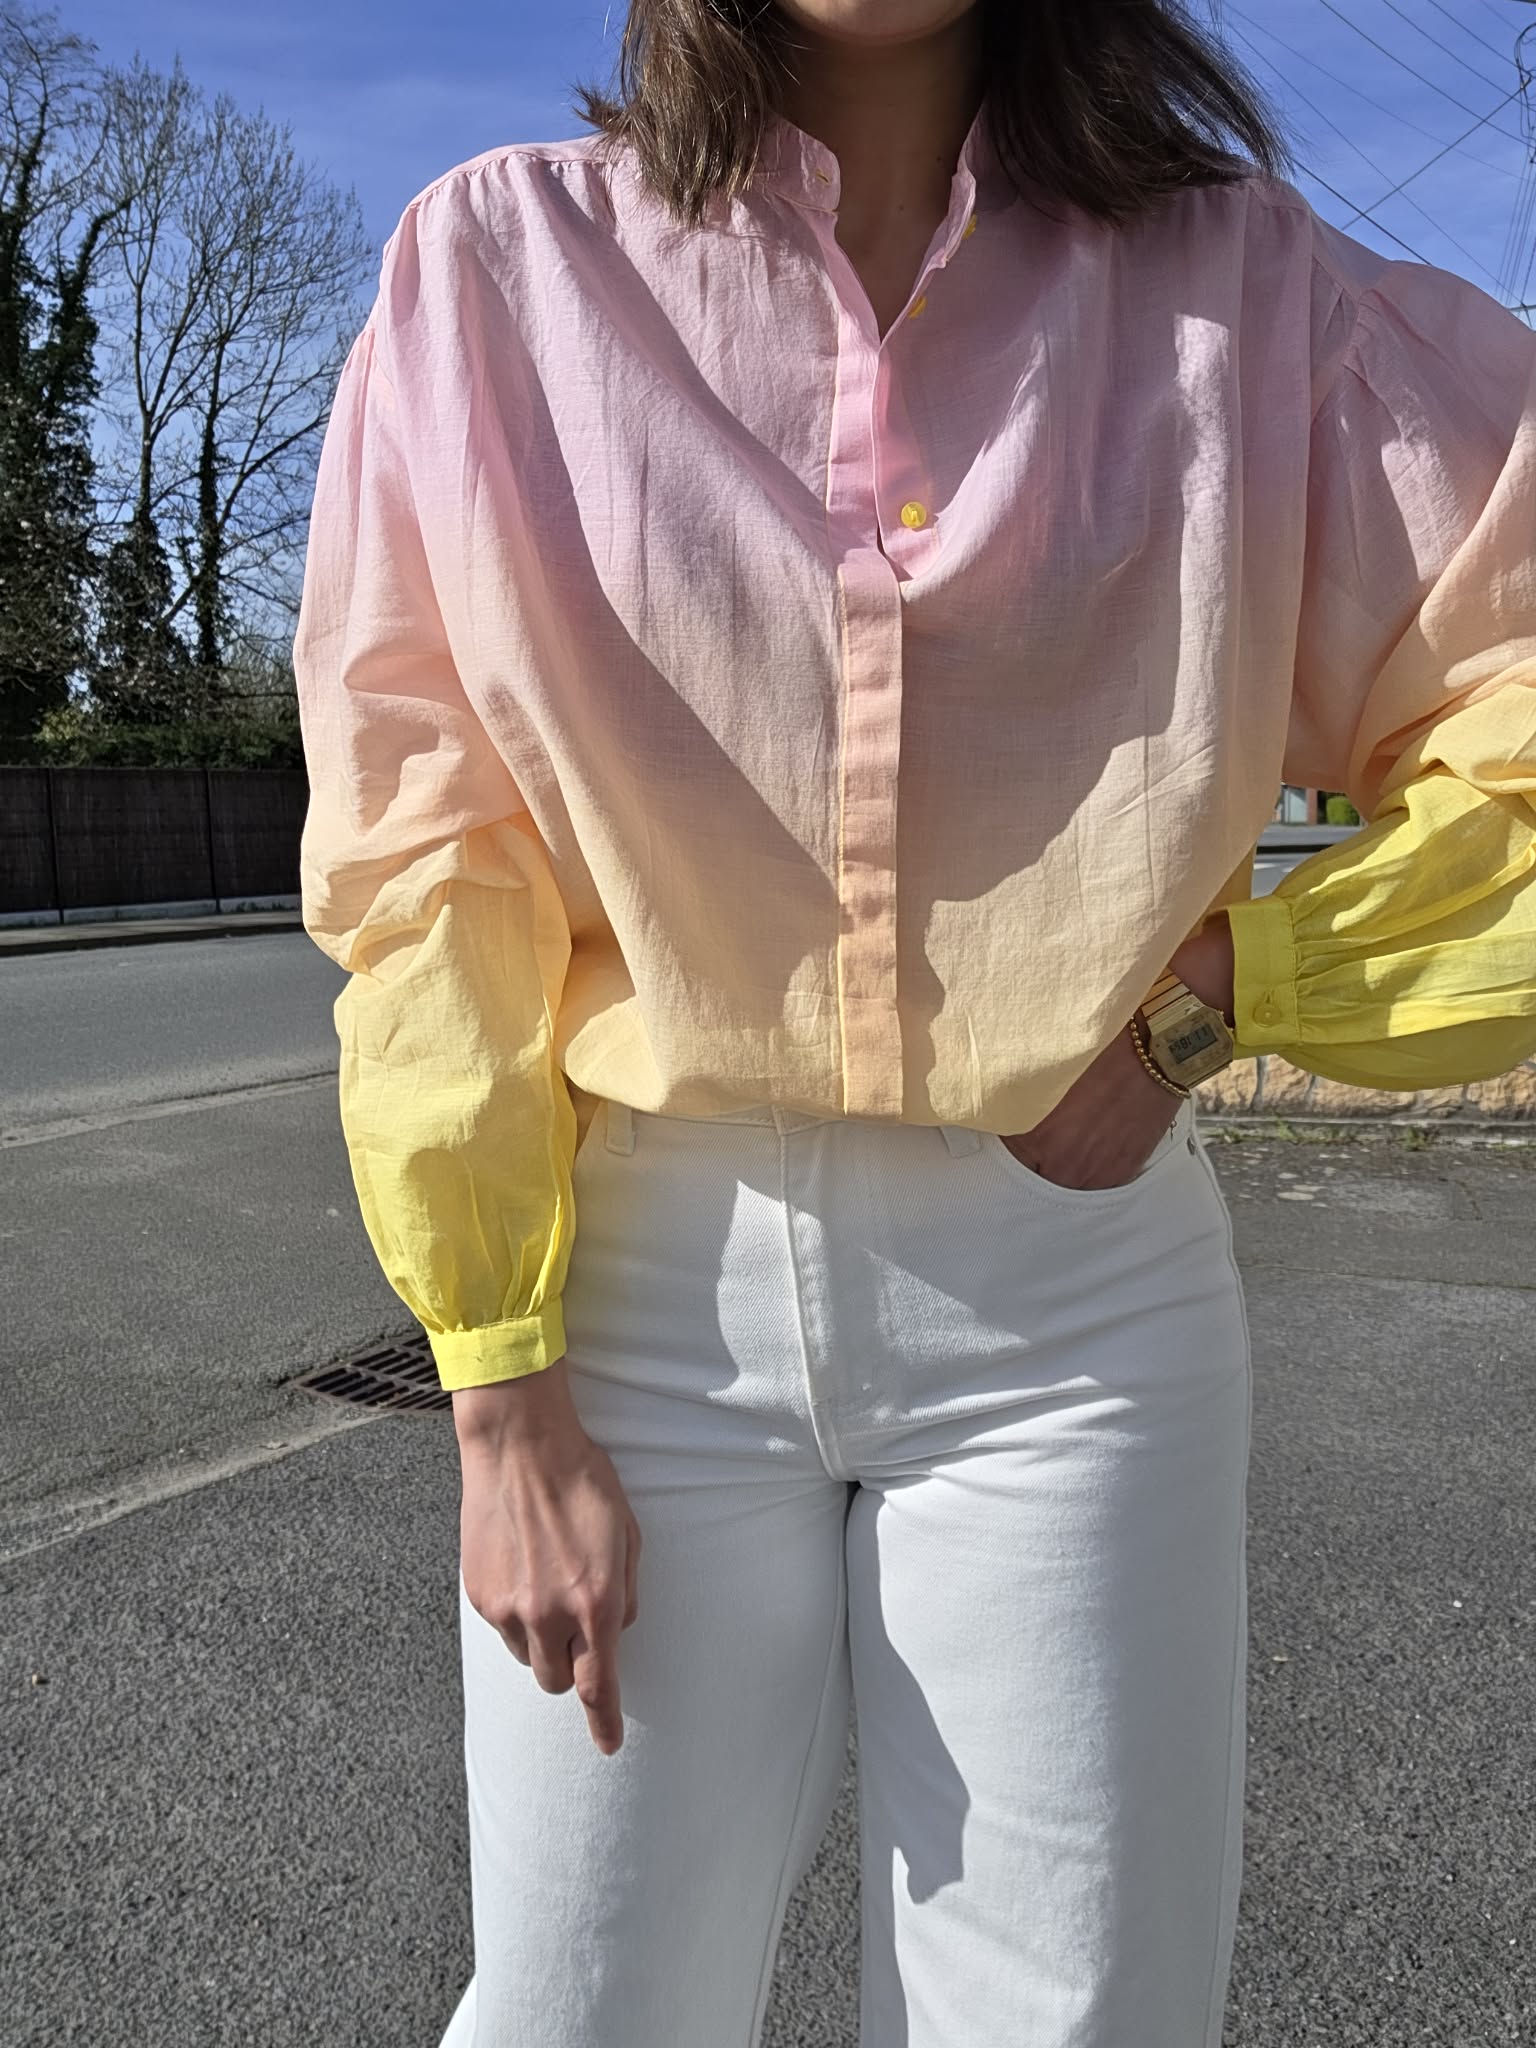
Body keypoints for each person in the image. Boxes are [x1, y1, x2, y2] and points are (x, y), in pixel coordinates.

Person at [291, 2, 1536, 2042]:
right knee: (584, 2006)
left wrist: (1229, 998)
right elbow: (431, 851)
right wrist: (495, 1385)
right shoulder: (501, 274)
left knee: (1071, 2019)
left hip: (1074, 1308)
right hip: (635, 1300)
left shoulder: (1242, 295)